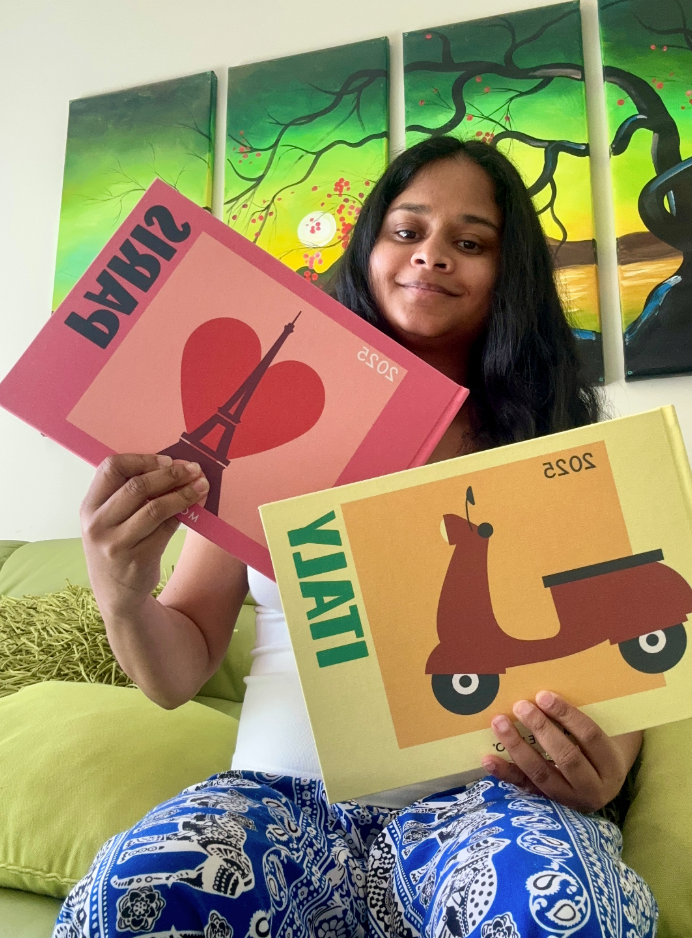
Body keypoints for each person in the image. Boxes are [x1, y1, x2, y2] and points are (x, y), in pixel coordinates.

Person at [54, 136, 657, 938]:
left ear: (505, 275)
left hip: (485, 810)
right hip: (278, 807)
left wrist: (599, 769)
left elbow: (622, 656)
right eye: (406, 232)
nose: (431, 256)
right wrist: (120, 590)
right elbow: (176, 672)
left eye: (468, 242)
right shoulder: (272, 429)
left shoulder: (559, 444)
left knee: (564, 909)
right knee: (133, 896)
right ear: (368, 247)